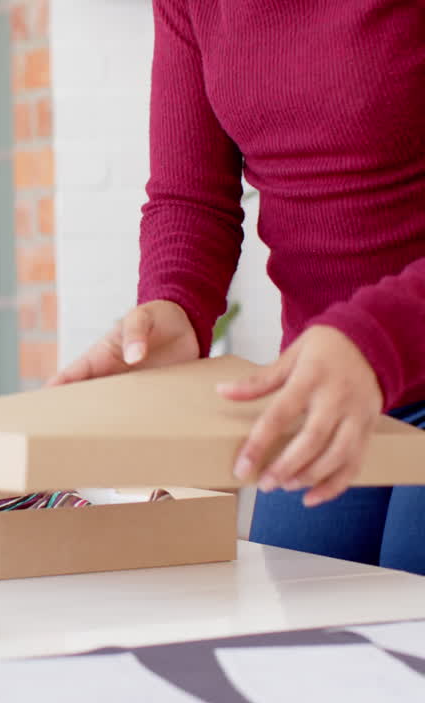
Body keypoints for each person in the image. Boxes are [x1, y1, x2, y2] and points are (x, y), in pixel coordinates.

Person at [49, 1, 425, 573]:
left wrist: (373, 339)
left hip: (378, 348)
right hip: (319, 383)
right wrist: (174, 304)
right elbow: (190, 198)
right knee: (303, 621)